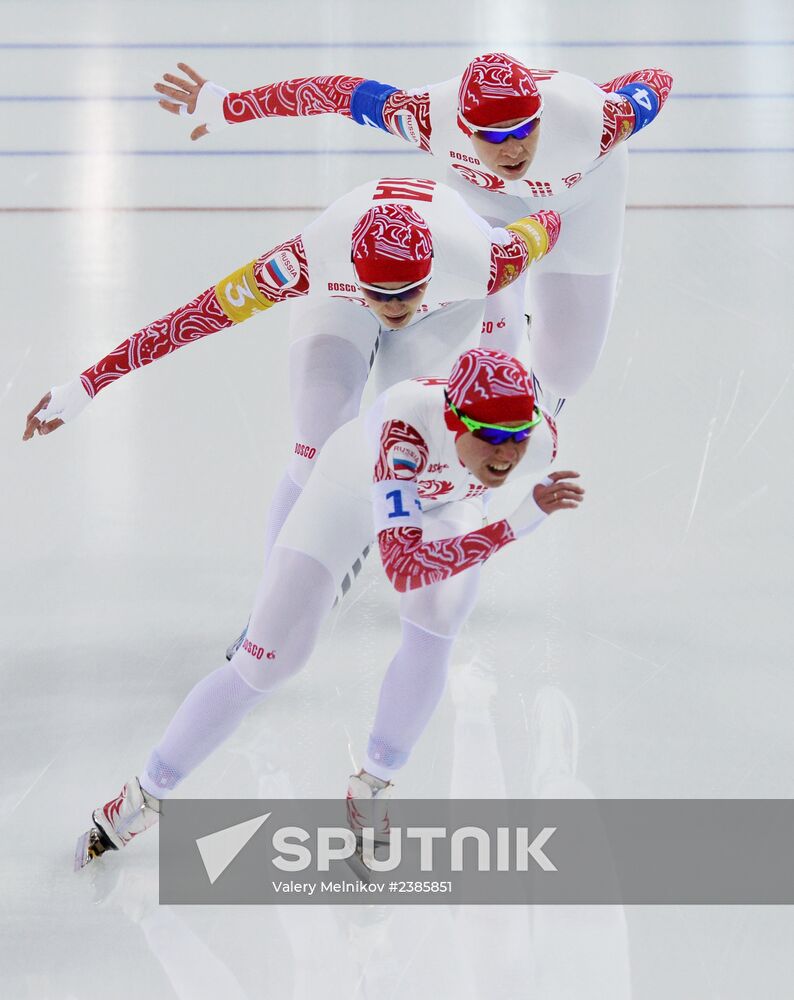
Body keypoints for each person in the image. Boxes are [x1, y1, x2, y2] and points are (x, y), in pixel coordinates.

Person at [73, 347, 584, 868]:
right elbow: (404, 566)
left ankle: (373, 788)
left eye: (518, 436)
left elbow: (443, 541)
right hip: (346, 496)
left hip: (448, 505)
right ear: (454, 419)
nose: (507, 454)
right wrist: (514, 525)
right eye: (492, 438)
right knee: (268, 661)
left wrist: (494, 506)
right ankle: (143, 797)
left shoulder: (539, 440)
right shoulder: (405, 431)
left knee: (439, 616)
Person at [23, 179, 559, 574]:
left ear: (429, 274)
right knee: (315, 441)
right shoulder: (305, 262)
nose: (393, 309)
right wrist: (86, 385)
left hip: (449, 305)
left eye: (405, 292)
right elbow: (187, 322)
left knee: (431, 440)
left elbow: (552, 222)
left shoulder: (485, 259)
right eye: (380, 294)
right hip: (337, 299)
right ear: (355, 273)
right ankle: (273, 596)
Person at [155, 51, 672, 409]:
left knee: (566, 373)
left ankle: (555, 337)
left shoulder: (599, 121)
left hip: (582, 201)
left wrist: (601, 95)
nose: (513, 148)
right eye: (494, 135)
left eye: (524, 129)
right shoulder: (427, 117)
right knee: (498, 306)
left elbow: (657, 78)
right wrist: (231, 106)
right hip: (485, 197)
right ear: (464, 128)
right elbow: (339, 93)